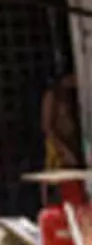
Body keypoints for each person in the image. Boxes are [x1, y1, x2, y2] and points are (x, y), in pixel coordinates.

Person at [43, 70, 85, 205]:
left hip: (76, 146)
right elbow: (47, 127)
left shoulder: (75, 95)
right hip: (61, 151)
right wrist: (63, 150)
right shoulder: (52, 96)